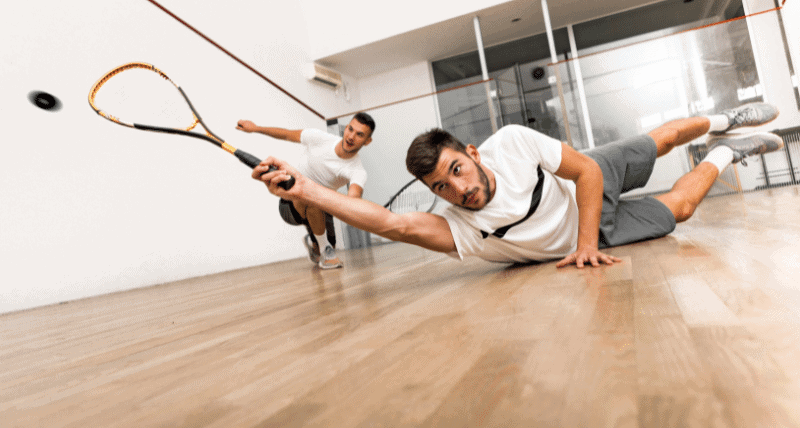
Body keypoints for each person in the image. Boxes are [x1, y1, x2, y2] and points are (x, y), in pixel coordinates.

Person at [252, 103, 782, 269]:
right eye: (440, 187)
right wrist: (303, 189)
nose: (455, 190)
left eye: (456, 171)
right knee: (683, 208)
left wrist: (586, 244)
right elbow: (391, 222)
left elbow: (587, 173)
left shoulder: (511, 143)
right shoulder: (462, 227)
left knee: (661, 140)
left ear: (473, 154)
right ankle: (727, 151)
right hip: (598, 234)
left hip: (587, 192)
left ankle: (720, 120)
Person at [236, 112, 375, 269]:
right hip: (289, 204)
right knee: (313, 205)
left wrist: (358, 210)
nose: (351, 136)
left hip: (320, 207)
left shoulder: (357, 170)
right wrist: (256, 128)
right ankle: (323, 247)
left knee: (321, 249)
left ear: (367, 141)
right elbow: (287, 134)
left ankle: (314, 244)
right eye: (350, 129)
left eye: (359, 134)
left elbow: (353, 199)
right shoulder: (320, 138)